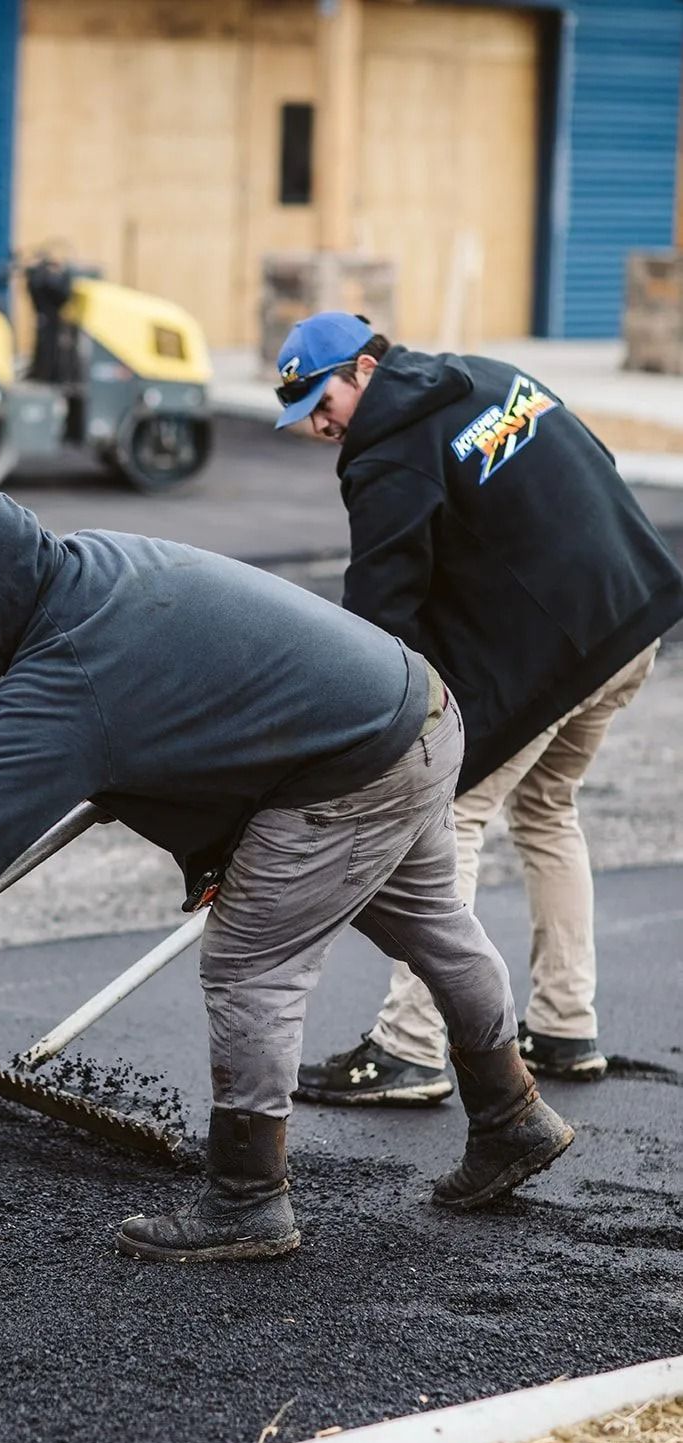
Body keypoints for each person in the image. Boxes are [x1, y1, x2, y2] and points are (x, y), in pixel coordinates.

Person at [0, 490, 573, 1263]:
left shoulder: (64, 681)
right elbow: (205, 715)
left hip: (351, 768)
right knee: (434, 929)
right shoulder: (95, 564)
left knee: (251, 965)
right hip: (414, 706)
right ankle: (511, 1118)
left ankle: (248, 1200)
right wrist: (213, 854)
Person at [274, 312, 683, 1108]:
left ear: (362, 369)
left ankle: (410, 1046)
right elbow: (592, 460)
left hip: (556, 655)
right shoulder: (487, 378)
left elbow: (380, 615)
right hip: (631, 618)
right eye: (302, 415)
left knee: (446, 820)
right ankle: (565, 1025)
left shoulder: (387, 450)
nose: (317, 425)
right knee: (546, 810)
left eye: (321, 402)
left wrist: (358, 725)